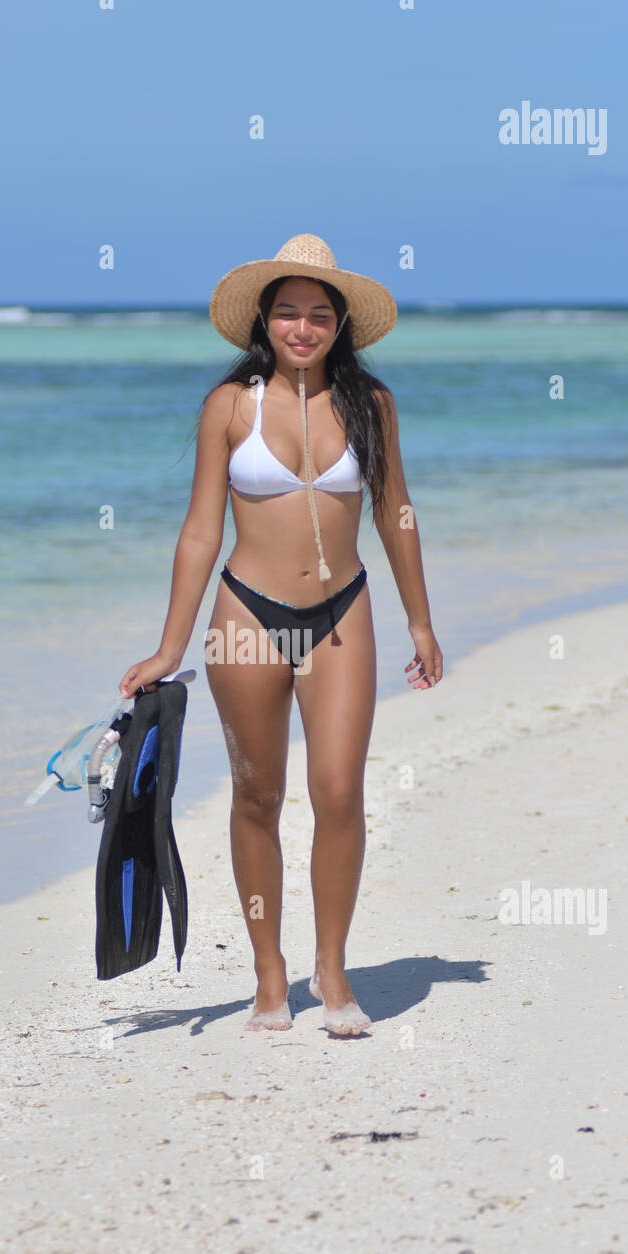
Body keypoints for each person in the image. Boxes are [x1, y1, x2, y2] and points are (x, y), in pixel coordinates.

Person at [118, 234, 442, 1037]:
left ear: (341, 327)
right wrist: (169, 647)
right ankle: (270, 976)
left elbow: (394, 512)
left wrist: (422, 620)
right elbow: (199, 532)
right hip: (247, 614)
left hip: (343, 613)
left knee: (338, 793)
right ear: (265, 320)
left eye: (319, 315)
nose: (303, 327)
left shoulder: (372, 406)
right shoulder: (229, 407)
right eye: (289, 312)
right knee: (257, 795)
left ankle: (332, 972)